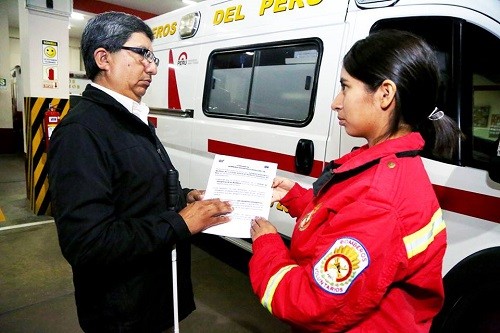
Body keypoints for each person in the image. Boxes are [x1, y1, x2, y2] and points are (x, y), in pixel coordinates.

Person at [249, 29, 463, 332]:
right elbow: (345, 217)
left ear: (385, 94)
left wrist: (268, 243)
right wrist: (296, 197)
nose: (336, 103)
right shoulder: (386, 166)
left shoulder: (380, 199)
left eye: (345, 87)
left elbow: (308, 302)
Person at [48, 11, 233, 333]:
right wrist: (180, 222)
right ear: (103, 58)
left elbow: (134, 187)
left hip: (151, 296)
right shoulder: (82, 131)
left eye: (153, 56)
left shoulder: (127, 118)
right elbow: (87, 243)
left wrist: (185, 197)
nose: (153, 66)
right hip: (121, 310)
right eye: (142, 54)